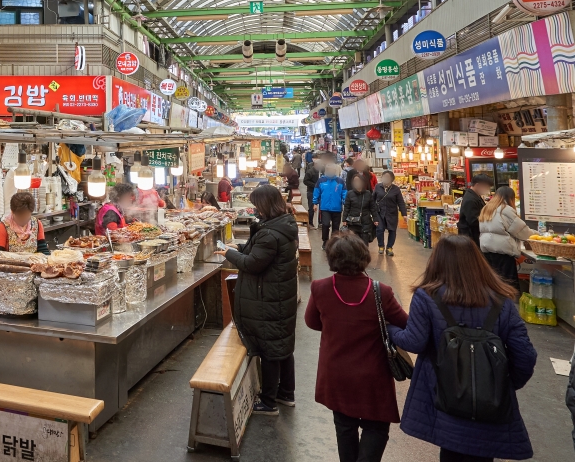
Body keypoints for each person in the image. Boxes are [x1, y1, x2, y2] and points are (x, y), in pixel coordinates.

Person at [389, 235, 536, 462]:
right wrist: (499, 384)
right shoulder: (501, 300)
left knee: (451, 452)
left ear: (437, 262)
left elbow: (414, 342)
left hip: (446, 398)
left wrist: (389, 329)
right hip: (490, 408)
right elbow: (525, 355)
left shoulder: (428, 297)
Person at [305, 232, 408, 462]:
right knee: (376, 427)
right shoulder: (381, 292)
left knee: (344, 427)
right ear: (364, 257)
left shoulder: (320, 288)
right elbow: (407, 325)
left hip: (336, 373)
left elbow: (312, 322)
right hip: (373, 374)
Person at [220, 185, 299, 416]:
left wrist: (229, 254)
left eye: (256, 204)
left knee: (270, 350)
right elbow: (262, 253)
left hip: (268, 298)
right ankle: (286, 394)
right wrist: (242, 247)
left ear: (265, 205)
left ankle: (268, 402)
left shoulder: (269, 232)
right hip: (279, 296)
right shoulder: (282, 225)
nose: (254, 209)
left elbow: (252, 264)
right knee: (282, 348)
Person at [479, 186, 532, 284]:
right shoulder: (505, 209)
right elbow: (521, 231)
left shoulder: (487, 208)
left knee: (493, 284)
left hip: (487, 253)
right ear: (510, 197)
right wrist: (539, 235)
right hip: (502, 254)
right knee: (507, 286)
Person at [373, 171, 408, 256]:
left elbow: (400, 202)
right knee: (379, 229)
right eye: (384, 176)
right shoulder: (378, 187)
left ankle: (389, 248)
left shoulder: (396, 189)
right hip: (379, 212)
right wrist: (372, 212)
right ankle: (381, 246)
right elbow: (372, 199)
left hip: (392, 213)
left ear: (392, 179)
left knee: (392, 230)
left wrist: (404, 214)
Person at [314, 163, 347, 246]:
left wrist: (345, 202)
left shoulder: (340, 181)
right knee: (325, 224)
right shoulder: (321, 180)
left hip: (337, 208)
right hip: (325, 207)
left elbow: (344, 193)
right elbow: (316, 192)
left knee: (335, 227)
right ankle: (325, 241)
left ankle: (333, 242)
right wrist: (315, 203)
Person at [458, 174, 494, 245]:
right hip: (470, 237)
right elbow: (473, 221)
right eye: (486, 187)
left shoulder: (475, 195)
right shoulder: (470, 199)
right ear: (477, 185)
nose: (487, 190)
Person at [342, 174, 377, 244]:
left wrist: (375, 219)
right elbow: (346, 207)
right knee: (354, 242)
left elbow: (372, 207)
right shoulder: (350, 193)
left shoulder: (368, 193)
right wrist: (344, 219)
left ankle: (364, 254)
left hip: (365, 221)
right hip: (353, 222)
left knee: (364, 242)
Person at [303, 154, 321, 228]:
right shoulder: (310, 172)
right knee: (311, 208)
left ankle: (320, 222)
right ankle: (310, 222)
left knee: (321, 208)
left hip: (321, 192)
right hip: (311, 192)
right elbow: (305, 181)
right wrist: (315, 185)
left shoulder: (322, 171)